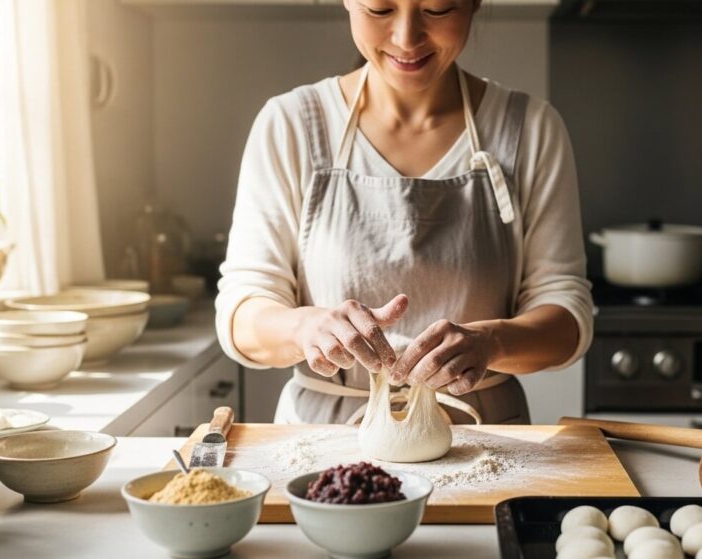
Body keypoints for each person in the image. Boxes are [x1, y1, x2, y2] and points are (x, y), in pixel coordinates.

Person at [215, 0, 592, 425]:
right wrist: (305, 329)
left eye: (438, 9)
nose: (407, 38)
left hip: (484, 438)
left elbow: (566, 318)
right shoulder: (291, 124)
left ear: (473, 4)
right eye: (379, 10)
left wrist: (492, 342)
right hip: (323, 442)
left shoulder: (531, 128)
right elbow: (242, 316)